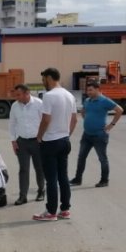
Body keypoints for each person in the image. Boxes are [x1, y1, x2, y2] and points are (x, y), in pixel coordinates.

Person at [33, 67, 77, 221]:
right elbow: (74, 120)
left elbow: (46, 120)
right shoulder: (69, 95)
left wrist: (39, 136)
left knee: (51, 178)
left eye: (44, 79)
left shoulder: (49, 96)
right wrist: (66, 134)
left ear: (50, 78)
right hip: (64, 140)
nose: (43, 82)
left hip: (50, 141)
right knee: (63, 177)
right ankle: (65, 209)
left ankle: (51, 211)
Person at [69, 81, 123, 187]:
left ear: (97, 89)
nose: (88, 92)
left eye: (90, 90)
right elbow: (84, 111)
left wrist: (111, 125)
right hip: (87, 135)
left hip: (100, 135)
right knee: (81, 157)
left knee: (102, 158)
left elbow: (120, 110)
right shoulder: (87, 100)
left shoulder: (105, 101)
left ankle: (104, 180)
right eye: (87, 90)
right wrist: (86, 118)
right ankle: (77, 179)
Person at [9, 83, 46, 205]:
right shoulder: (15, 106)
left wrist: (43, 139)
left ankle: (41, 191)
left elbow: (45, 122)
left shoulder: (39, 104)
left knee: (39, 168)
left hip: (37, 141)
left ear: (27, 93)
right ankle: (22, 196)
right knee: (23, 169)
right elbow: (12, 124)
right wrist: (13, 141)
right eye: (16, 95)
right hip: (22, 142)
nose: (17, 97)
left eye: (19, 94)